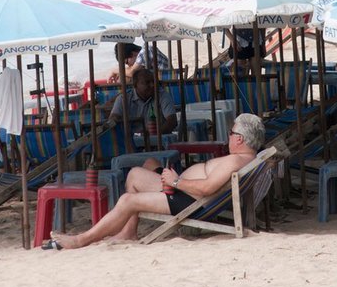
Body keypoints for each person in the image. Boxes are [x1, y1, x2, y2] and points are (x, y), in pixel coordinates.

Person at [45, 114, 265, 250]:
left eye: (231, 132)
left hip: (187, 200)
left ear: (239, 139)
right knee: (133, 175)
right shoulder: (246, 159)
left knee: (127, 200)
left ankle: (82, 240)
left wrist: (176, 181)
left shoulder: (236, 160)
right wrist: (175, 181)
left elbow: (207, 188)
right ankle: (128, 232)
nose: (228, 136)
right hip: (185, 194)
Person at [108, 67, 177, 135]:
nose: (152, 85)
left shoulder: (162, 96)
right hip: (131, 142)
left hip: (157, 142)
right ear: (135, 85)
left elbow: (172, 121)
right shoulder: (123, 99)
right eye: (147, 82)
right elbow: (113, 120)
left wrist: (155, 134)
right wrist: (115, 119)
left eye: (154, 81)